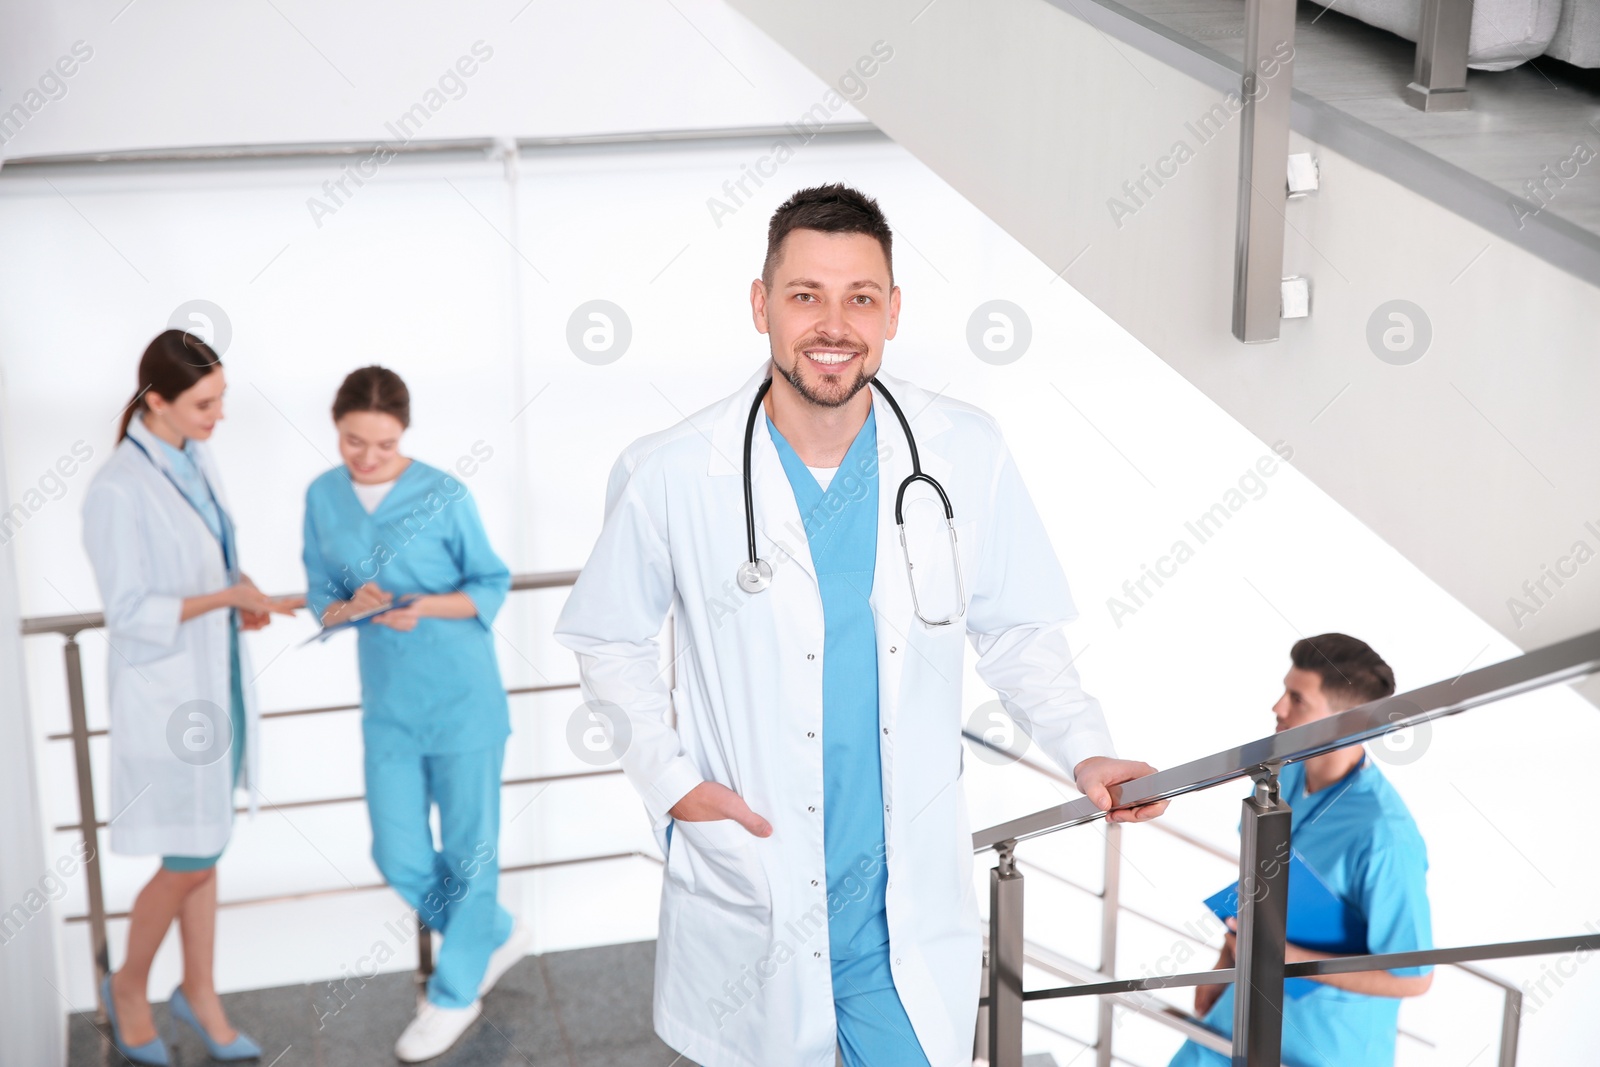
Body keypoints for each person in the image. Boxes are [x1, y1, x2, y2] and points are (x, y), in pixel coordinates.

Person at [554, 184, 1167, 1067]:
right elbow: (609, 639)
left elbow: (1018, 629)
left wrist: (1086, 745)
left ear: (893, 312)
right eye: (805, 295)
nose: (833, 324)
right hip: (757, 880)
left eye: (861, 297)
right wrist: (672, 782)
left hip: (901, 907)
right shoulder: (671, 472)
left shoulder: (963, 449)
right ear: (761, 304)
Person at [83, 329, 301, 1065]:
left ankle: (200, 991)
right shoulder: (117, 487)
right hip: (169, 698)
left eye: (222, 399)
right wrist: (222, 596)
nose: (219, 415)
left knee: (207, 848)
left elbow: (211, 558)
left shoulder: (193, 456)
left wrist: (237, 599)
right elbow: (131, 611)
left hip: (217, 685)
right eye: (205, 403)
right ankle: (129, 986)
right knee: (190, 852)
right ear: (157, 401)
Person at [300, 365, 529, 1062]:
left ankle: (455, 993)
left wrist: (417, 606)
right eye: (352, 442)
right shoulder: (322, 496)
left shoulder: (442, 493)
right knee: (396, 850)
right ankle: (489, 928)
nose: (367, 457)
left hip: (463, 696)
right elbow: (321, 596)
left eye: (384, 444)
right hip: (390, 706)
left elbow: (490, 581)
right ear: (338, 430)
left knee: (469, 850)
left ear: (404, 433)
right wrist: (355, 609)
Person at [1171, 633, 1434, 1067]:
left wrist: (1287, 961)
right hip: (1240, 1012)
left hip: (1323, 1043)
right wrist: (1225, 965)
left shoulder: (1385, 835)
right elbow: (1258, 886)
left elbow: (1414, 978)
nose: (1278, 708)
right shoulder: (1279, 780)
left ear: (1347, 723)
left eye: (1297, 699)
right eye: (1284, 691)